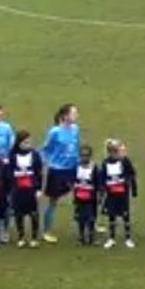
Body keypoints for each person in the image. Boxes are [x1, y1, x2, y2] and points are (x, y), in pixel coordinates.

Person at [42, 104, 81, 244]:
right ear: (65, 116)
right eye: (74, 113)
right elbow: (45, 150)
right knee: (53, 201)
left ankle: (88, 223)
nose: (76, 116)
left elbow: (76, 147)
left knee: (83, 195)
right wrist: (47, 164)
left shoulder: (76, 129)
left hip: (73, 169)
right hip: (57, 170)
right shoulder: (55, 132)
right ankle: (47, 231)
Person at [9, 130, 44, 248]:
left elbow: (39, 173)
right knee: (18, 214)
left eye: (29, 142)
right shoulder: (13, 155)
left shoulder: (35, 155)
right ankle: (21, 237)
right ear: (19, 143)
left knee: (34, 213)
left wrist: (38, 189)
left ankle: (34, 237)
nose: (28, 144)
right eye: (25, 142)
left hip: (31, 189)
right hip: (18, 189)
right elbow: (8, 173)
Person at [101, 139, 138, 249]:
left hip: (123, 193)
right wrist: (102, 191)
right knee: (111, 216)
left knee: (126, 215)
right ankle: (111, 238)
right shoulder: (106, 163)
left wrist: (133, 189)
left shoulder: (125, 162)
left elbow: (132, 174)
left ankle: (128, 238)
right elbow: (103, 177)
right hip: (111, 194)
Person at [72, 144, 100, 246]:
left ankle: (91, 237)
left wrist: (99, 194)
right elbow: (73, 179)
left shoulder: (94, 167)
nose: (85, 158)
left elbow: (98, 181)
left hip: (91, 198)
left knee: (91, 218)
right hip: (79, 197)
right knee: (80, 218)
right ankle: (81, 237)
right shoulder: (76, 166)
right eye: (83, 155)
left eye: (87, 155)